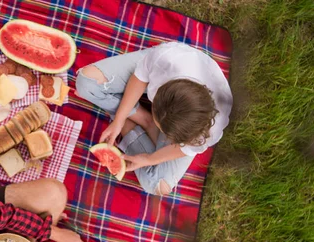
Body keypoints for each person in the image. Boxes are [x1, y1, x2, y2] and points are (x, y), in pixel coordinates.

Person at [75, 41, 233, 195]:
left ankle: (137, 120)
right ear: (157, 94)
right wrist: (119, 120)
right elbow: (139, 80)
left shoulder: (212, 128)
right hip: (162, 68)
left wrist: (149, 159)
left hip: (179, 117)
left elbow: (185, 150)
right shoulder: (166, 60)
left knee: (158, 185)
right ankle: (142, 118)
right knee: (86, 84)